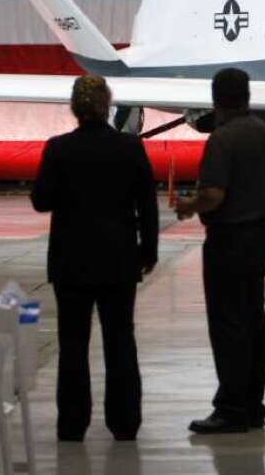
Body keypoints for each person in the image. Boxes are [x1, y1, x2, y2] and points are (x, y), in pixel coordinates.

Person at [175, 68, 265, 434]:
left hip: (227, 240)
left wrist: (189, 205)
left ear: (216, 100)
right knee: (253, 319)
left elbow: (214, 194)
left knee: (227, 323)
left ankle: (231, 408)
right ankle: (252, 405)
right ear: (247, 96)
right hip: (258, 237)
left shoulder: (222, 139)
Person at [31, 75, 159, 442]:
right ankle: (124, 422)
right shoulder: (129, 148)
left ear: (75, 108)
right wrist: (147, 251)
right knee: (121, 340)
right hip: (119, 259)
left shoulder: (57, 149)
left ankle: (72, 423)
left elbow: (42, 200)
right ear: (108, 105)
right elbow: (146, 205)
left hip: (70, 261)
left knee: (72, 343)